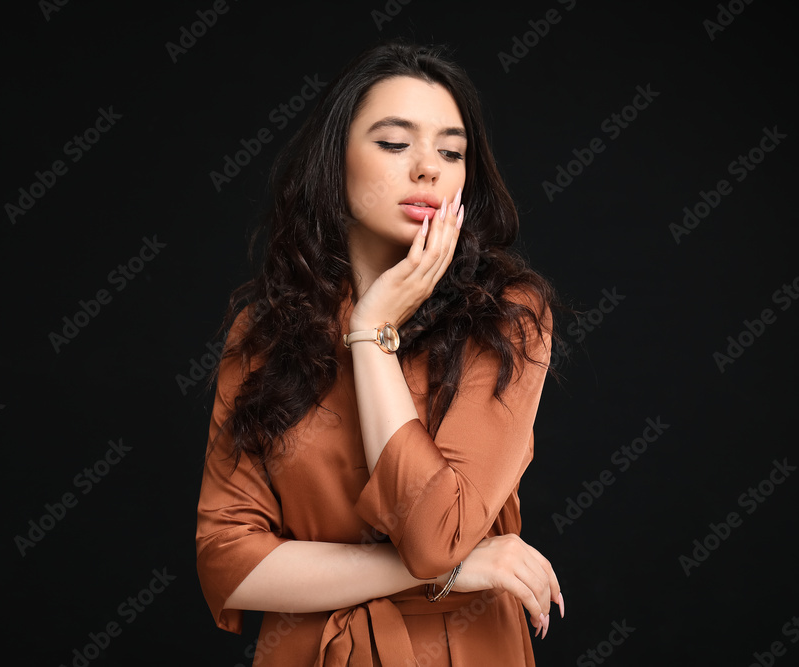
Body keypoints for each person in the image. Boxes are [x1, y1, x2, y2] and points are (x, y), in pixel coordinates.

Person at [196, 40, 568, 666]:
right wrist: (460, 568)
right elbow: (228, 562)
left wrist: (371, 334)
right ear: (334, 161)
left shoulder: (507, 314)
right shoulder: (264, 329)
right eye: (395, 144)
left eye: (451, 151)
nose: (428, 168)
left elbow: (433, 535)